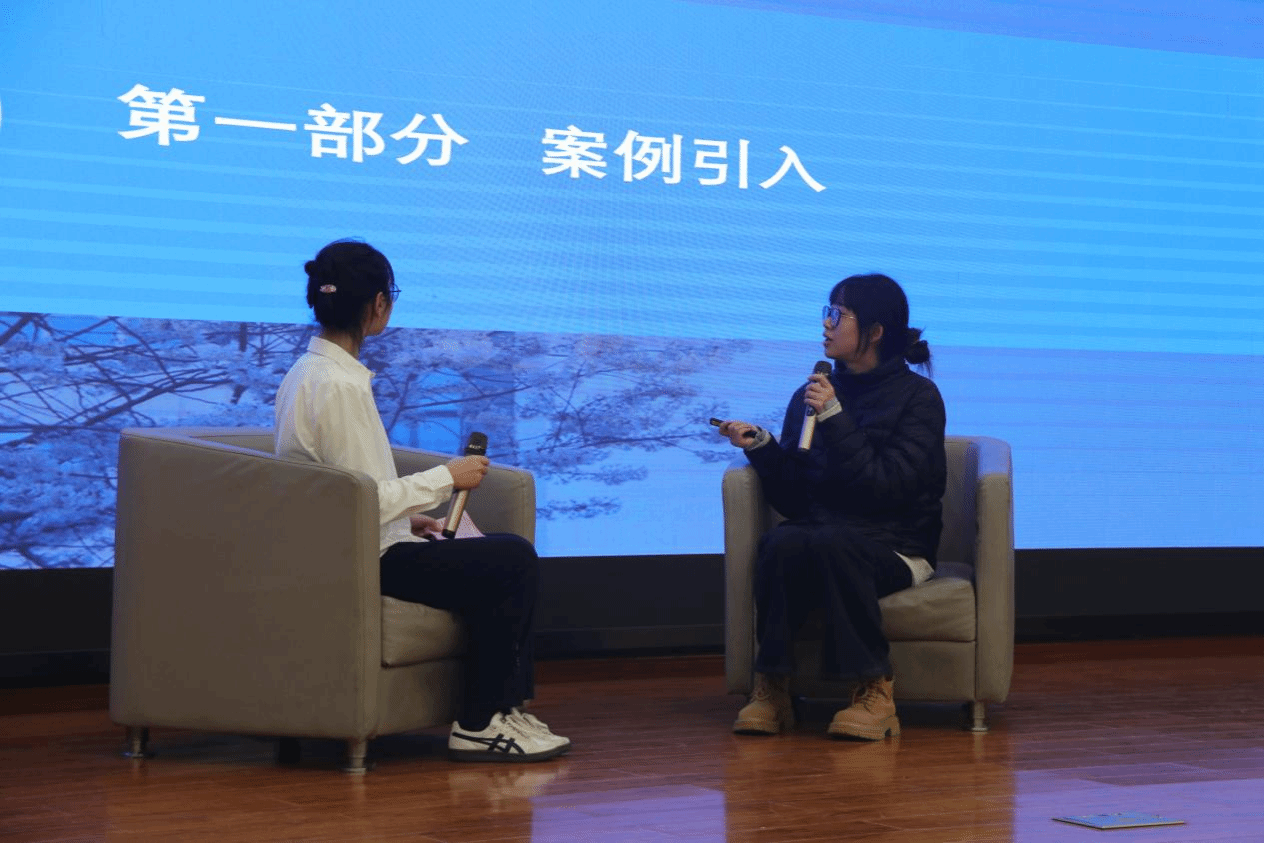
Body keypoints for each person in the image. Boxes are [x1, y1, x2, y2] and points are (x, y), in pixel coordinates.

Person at [274, 238, 570, 762]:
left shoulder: (310, 373)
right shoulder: (338, 385)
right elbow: (361, 497)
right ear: (378, 305)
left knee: (493, 558)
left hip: (351, 546)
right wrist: (446, 477)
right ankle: (481, 722)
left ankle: (501, 709)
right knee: (512, 559)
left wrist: (409, 522)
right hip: (360, 562)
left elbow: (341, 492)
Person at [716, 273, 945, 741]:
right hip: (826, 534)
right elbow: (794, 500)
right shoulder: (810, 396)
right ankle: (773, 688)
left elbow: (887, 488)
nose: (826, 324)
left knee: (836, 545)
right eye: (827, 312)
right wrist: (762, 447)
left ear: (875, 331)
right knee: (780, 543)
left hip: (897, 545)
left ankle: (875, 690)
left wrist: (836, 418)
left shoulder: (919, 398)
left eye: (838, 315)